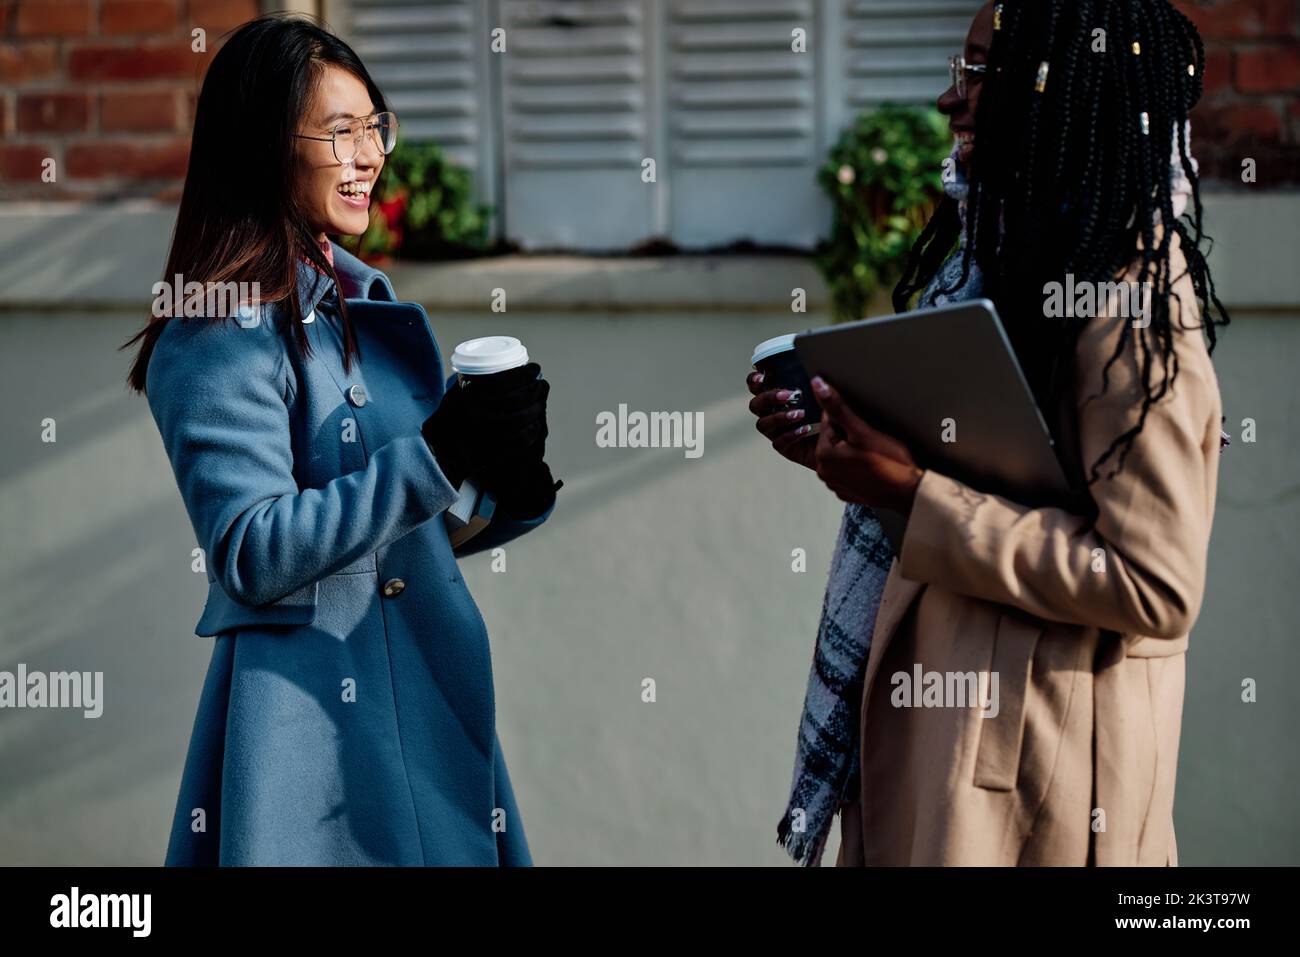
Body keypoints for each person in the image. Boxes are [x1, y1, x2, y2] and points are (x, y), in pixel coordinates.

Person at [754, 0, 1229, 865]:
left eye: (980, 71)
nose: (951, 99)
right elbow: (982, 481)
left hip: (1038, 782)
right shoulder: (994, 264)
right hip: (948, 743)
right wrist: (843, 445)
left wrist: (907, 490)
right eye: (958, 69)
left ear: (1068, 93)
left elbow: (1154, 582)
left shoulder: (1127, 298)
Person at [122, 14, 559, 865]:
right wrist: (436, 454)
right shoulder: (216, 329)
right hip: (308, 742)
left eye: (375, 127)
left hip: (428, 710)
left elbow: (403, 530)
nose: (369, 155)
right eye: (339, 131)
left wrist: (505, 480)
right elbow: (251, 549)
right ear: (263, 145)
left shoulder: (364, 305)